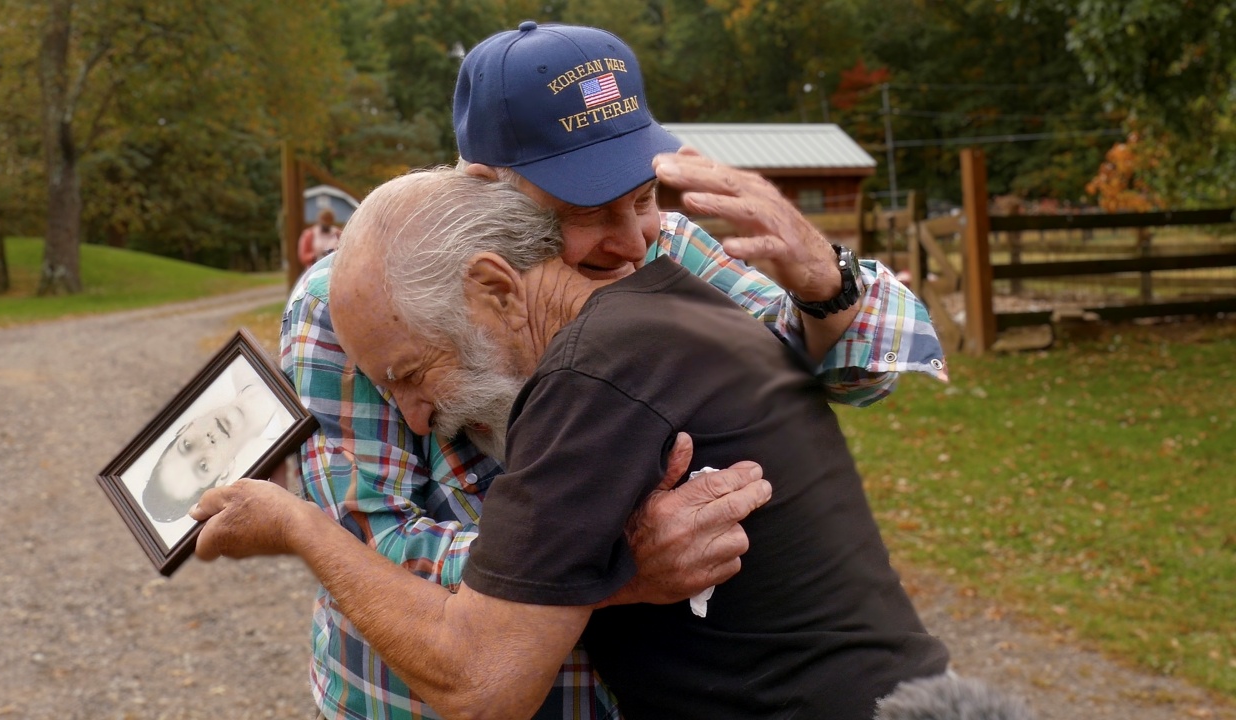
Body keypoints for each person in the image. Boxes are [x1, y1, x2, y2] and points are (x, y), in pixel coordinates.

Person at [276, 22, 947, 720]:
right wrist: (605, 565)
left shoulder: (660, 250)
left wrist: (821, 280)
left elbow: (862, 372)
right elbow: (366, 540)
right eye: (586, 208)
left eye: (643, 195)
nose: (630, 241)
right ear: (488, 188)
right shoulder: (354, 304)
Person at [143, 363, 290, 523]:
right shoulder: (297, 438)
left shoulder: (239, 363)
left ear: (185, 428)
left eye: (187, 446)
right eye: (203, 466)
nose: (207, 442)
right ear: (225, 473)